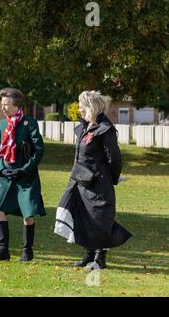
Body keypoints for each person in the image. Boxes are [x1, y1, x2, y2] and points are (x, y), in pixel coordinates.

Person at [54, 90, 132, 269]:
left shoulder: (106, 129)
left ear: (91, 107)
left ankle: (99, 257)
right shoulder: (83, 127)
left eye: (81, 106)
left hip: (98, 183)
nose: (79, 109)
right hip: (79, 181)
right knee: (82, 217)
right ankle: (88, 254)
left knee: (99, 219)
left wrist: (111, 179)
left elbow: (115, 159)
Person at [0, 88, 46, 262]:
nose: (3, 107)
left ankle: (27, 251)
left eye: (6, 104)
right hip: (6, 175)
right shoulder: (2, 124)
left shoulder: (30, 123)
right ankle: (3, 251)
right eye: (2, 104)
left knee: (28, 213)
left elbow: (39, 150)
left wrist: (25, 169)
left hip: (26, 175)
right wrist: (1, 168)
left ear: (16, 105)